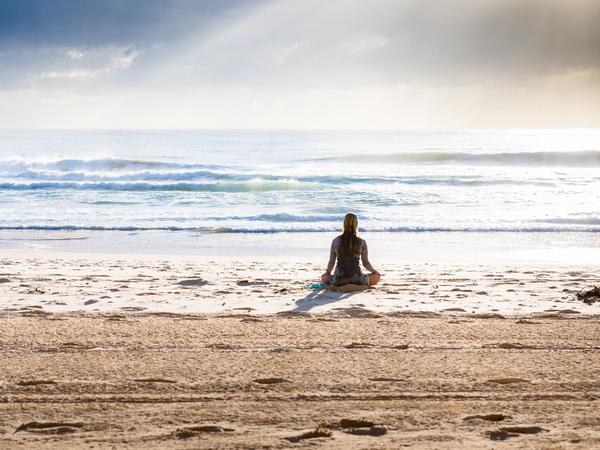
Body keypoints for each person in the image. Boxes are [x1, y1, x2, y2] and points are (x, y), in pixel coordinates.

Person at [321, 213, 380, 287]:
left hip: (339, 280)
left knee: (324, 278)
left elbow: (331, 262)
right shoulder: (362, 242)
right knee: (377, 276)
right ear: (356, 224)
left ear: (344, 223)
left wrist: (327, 273)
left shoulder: (336, 241)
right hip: (357, 279)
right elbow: (365, 263)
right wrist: (374, 271)